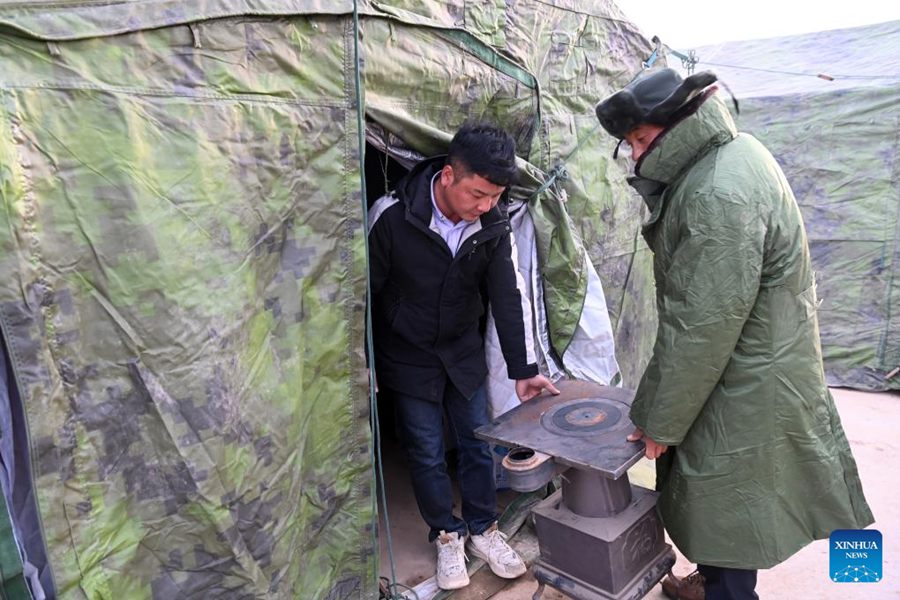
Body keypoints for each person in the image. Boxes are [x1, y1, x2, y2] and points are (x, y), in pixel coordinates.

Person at [594, 68, 874, 600]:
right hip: (760, 358)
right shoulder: (735, 154)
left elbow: (700, 328)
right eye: (629, 144)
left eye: (641, 140)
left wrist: (659, 422)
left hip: (742, 376)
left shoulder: (716, 193)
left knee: (724, 496)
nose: (634, 156)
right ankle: (719, 579)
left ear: (678, 125)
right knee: (733, 500)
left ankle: (726, 590)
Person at [367, 123, 560, 590]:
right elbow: (363, 293)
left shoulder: (493, 222)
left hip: (461, 350)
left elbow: (506, 296)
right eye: (478, 194)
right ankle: (446, 535)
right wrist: (363, 359)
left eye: (494, 196)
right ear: (449, 175)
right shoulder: (392, 216)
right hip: (408, 356)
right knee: (427, 451)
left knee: (477, 444)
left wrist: (523, 370)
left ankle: (482, 528)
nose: (485, 206)